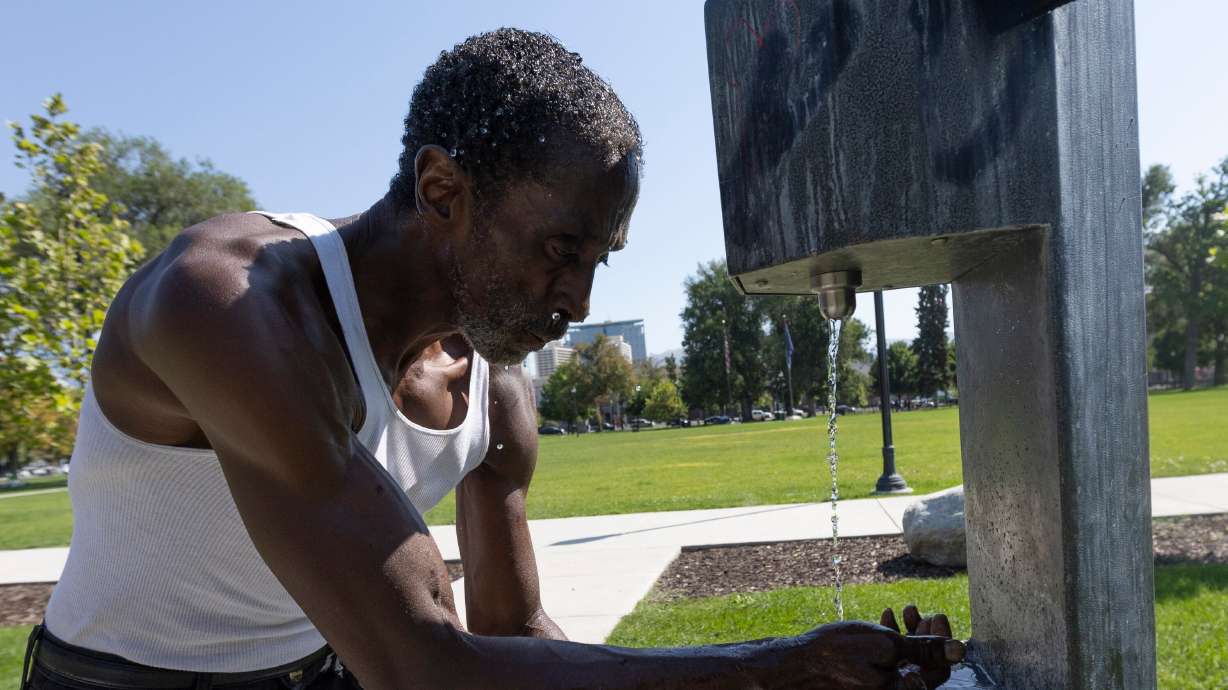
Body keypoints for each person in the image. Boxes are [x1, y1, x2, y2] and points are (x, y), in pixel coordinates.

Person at [22, 29, 962, 690]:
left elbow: (509, 635)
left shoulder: (498, 387)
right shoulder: (226, 307)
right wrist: (769, 669)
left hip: (331, 667)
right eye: (561, 250)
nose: (582, 300)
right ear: (443, 189)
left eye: (600, 260)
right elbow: (426, 666)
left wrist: (809, 673)